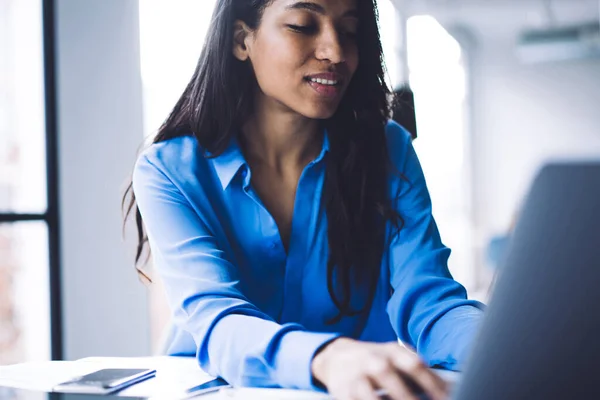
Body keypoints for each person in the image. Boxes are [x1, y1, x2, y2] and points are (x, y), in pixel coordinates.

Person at [122, 1, 484, 399]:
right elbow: (219, 322)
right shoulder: (169, 170)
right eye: (302, 25)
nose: (336, 51)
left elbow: (430, 303)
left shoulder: (388, 150)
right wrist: (329, 359)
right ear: (242, 40)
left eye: (349, 30)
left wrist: (514, 344)